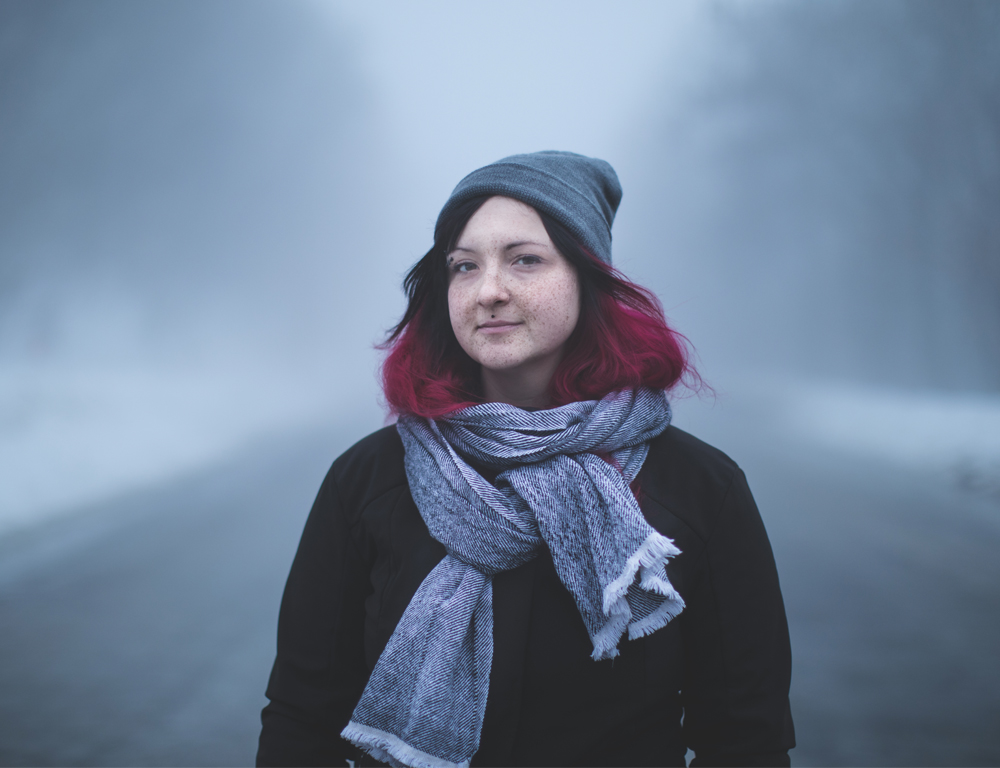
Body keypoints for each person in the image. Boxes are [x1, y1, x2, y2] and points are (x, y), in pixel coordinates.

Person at [256, 151, 795, 768]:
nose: (489, 291)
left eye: (526, 260)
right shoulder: (370, 479)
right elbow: (303, 717)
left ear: (587, 278)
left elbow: (745, 738)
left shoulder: (699, 487)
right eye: (464, 266)